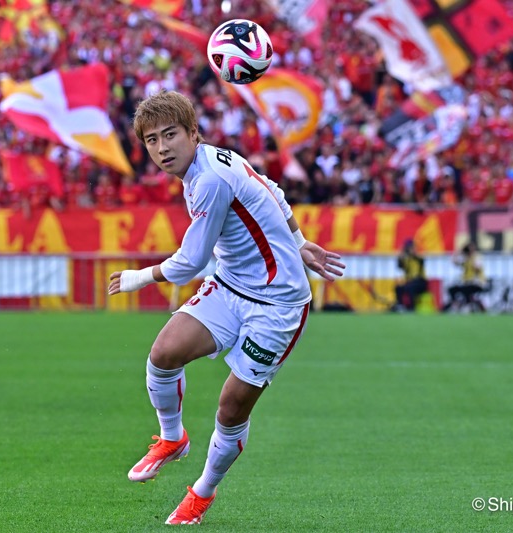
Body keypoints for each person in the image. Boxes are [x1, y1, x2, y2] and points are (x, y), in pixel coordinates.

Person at [107, 90, 345, 525]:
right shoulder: (212, 161)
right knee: (163, 354)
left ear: (193, 134)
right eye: (152, 140)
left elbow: (191, 262)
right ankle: (173, 438)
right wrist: (297, 240)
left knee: (231, 406)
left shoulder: (210, 179)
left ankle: (202, 492)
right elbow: (270, 187)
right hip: (231, 286)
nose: (162, 148)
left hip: (277, 305)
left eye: (171, 135)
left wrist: (137, 278)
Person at [442, 242, 487, 313]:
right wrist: (457, 253)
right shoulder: (465, 259)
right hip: (466, 283)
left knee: (467, 290)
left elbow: (477, 267)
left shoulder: (477, 257)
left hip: (477, 283)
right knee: (452, 289)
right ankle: (455, 304)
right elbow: (455, 263)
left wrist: (471, 257)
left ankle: (469, 305)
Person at [393, 239, 428, 312]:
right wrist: (400, 256)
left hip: (421, 282)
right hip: (410, 282)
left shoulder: (418, 257)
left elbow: (421, 260)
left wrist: (413, 253)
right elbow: (400, 266)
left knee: (411, 287)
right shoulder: (406, 259)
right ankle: (401, 306)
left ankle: (412, 307)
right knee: (398, 288)